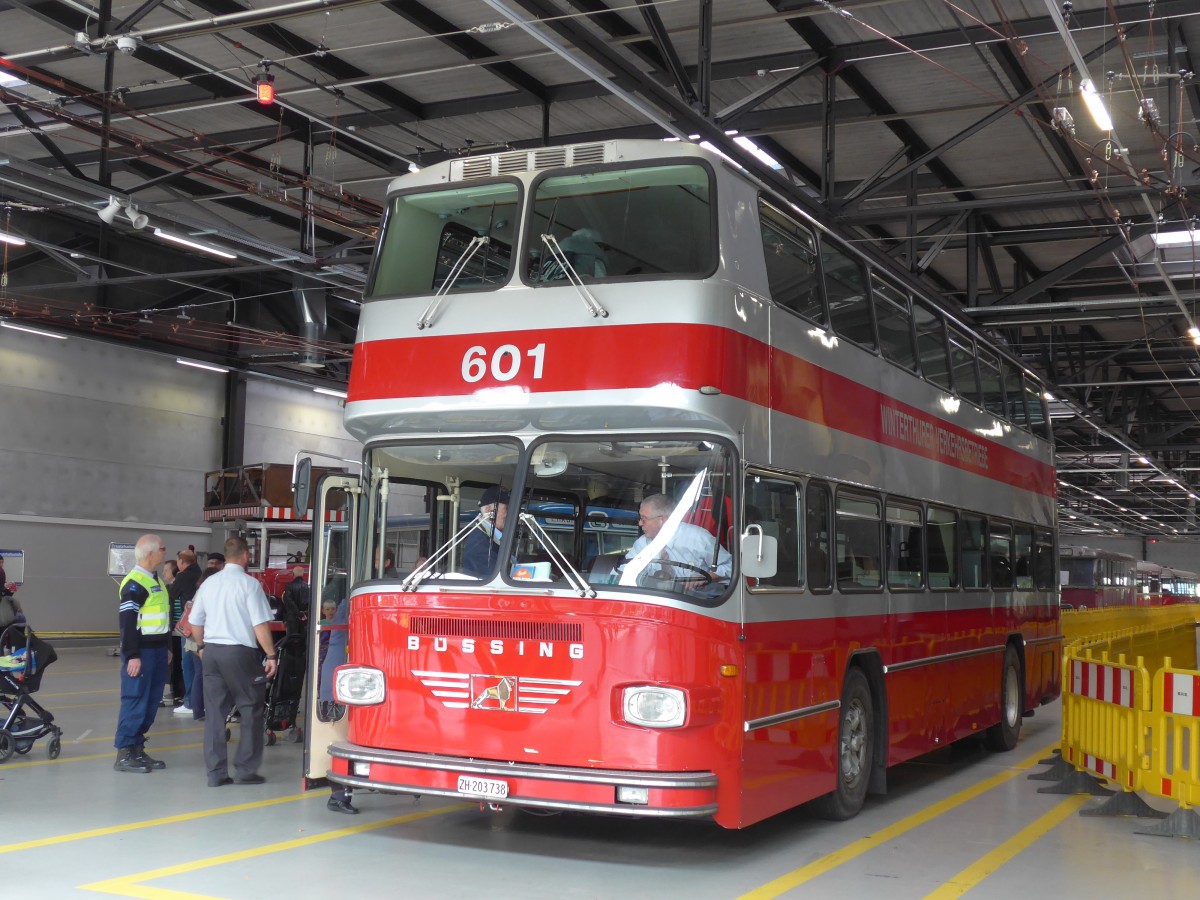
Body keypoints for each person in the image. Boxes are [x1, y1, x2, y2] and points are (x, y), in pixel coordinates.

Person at [188, 536, 277, 787]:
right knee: (250, 708)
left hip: (213, 652)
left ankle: (215, 774)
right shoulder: (250, 585)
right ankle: (246, 770)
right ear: (246, 555)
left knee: (215, 713)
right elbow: (260, 623)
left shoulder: (209, 584)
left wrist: (203, 646)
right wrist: (271, 655)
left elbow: (195, 621)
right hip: (239, 653)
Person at [113, 534, 171, 774]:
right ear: (151, 553)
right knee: (135, 699)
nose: (166, 552)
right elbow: (127, 623)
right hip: (142, 653)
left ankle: (137, 748)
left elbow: (161, 618)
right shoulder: (135, 583)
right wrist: (132, 654)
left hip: (157, 651)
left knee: (150, 701)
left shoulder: (155, 580)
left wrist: (166, 647)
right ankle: (125, 752)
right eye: (163, 549)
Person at [624, 493, 732, 583]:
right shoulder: (642, 544)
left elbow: (731, 567)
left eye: (644, 519)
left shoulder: (697, 538)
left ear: (663, 520)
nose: (640, 523)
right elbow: (623, 571)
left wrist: (705, 577)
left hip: (700, 601)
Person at [170, 550, 202, 716]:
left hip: (189, 626)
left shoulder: (183, 576)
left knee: (187, 663)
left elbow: (172, 594)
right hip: (201, 626)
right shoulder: (200, 573)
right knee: (198, 665)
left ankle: (189, 702)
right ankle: (198, 701)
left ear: (182, 562)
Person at [462, 486, 509, 577]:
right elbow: (496, 580)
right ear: (489, 511)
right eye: (506, 508)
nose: (511, 514)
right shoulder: (479, 542)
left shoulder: (496, 538)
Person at [541, 227, 609, 280]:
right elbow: (602, 285)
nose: (602, 250)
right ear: (594, 245)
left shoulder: (552, 259)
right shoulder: (593, 260)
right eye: (601, 246)